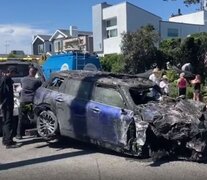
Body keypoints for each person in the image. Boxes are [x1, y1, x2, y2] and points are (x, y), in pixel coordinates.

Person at [16, 66, 42, 139]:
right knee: (34, 117)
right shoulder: (37, 81)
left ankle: (19, 135)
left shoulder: (23, 79)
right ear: (35, 73)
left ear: (29, 72)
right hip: (31, 102)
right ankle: (38, 133)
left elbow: (20, 88)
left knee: (21, 118)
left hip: (23, 101)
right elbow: (40, 88)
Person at [0, 66, 19, 148]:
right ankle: (8, 142)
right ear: (11, 72)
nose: (14, 75)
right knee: (8, 122)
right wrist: (3, 102)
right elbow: (2, 92)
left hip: (7, 103)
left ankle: (6, 140)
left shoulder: (6, 79)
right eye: (14, 73)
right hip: (6, 104)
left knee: (6, 122)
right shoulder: (5, 80)